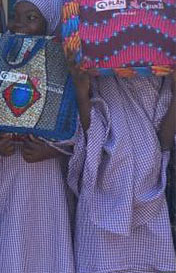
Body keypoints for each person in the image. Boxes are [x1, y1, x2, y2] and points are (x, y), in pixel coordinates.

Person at [66, 16, 176, 269]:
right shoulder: (99, 71)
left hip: (149, 183)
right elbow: (90, 132)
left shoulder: (158, 72)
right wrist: (82, 91)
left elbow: (165, 141)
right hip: (103, 182)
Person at [0, 0, 77, 273]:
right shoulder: (5, 61)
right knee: (12, 250)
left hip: (50, 180)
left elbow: (78, 125)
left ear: (50, 24)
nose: (19, 25)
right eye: (15, 17)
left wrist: (52, 150)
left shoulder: (64, 68)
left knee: (52, 249)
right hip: (10, 173)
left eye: (31, 18)